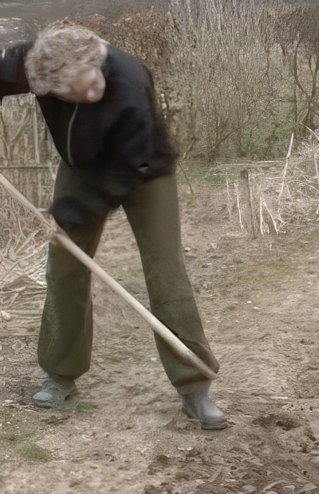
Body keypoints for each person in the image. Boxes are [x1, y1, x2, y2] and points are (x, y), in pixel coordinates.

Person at [0, 21, 226, 430]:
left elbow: (123, 174)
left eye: (91, 84)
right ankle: (60, 375)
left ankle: (195, 386)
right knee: (66, 265)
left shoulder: (128, 81)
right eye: (74, 94)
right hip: (83, 168)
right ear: (47, 88)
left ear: (95, 60)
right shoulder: (34, 64)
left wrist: (68, 213)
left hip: (142, 169)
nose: (89, 94)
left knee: (165, 271)